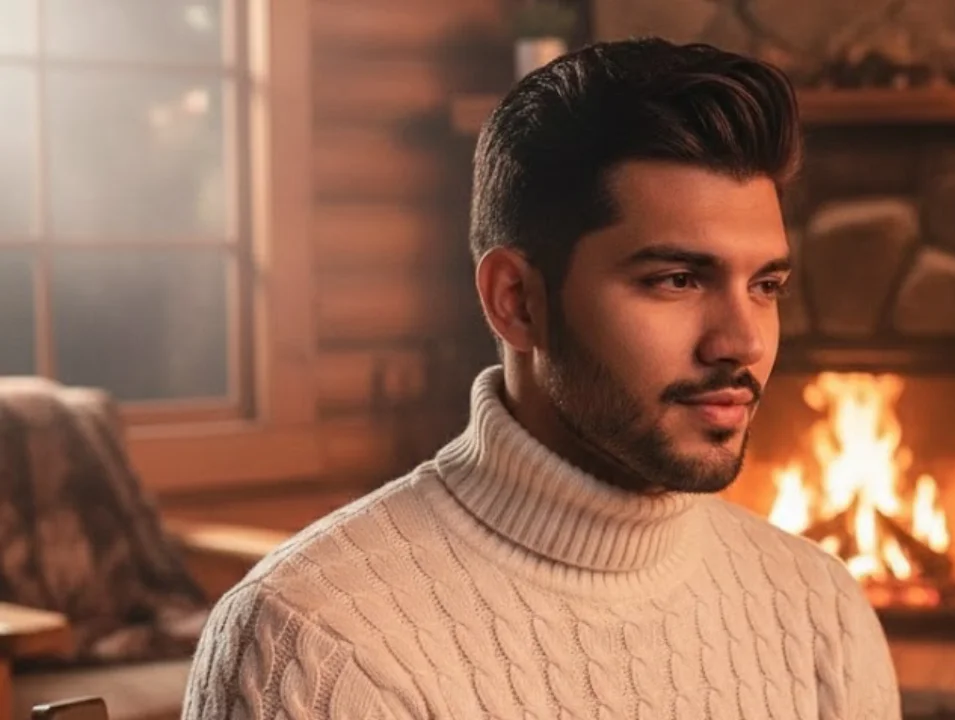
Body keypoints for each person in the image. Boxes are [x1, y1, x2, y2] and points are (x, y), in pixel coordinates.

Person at [182, 37, 900, 719]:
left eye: (766, 286)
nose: (743, 342)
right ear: (516, 301)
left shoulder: (820, 611)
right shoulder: (320, 640)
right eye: (678, 279)